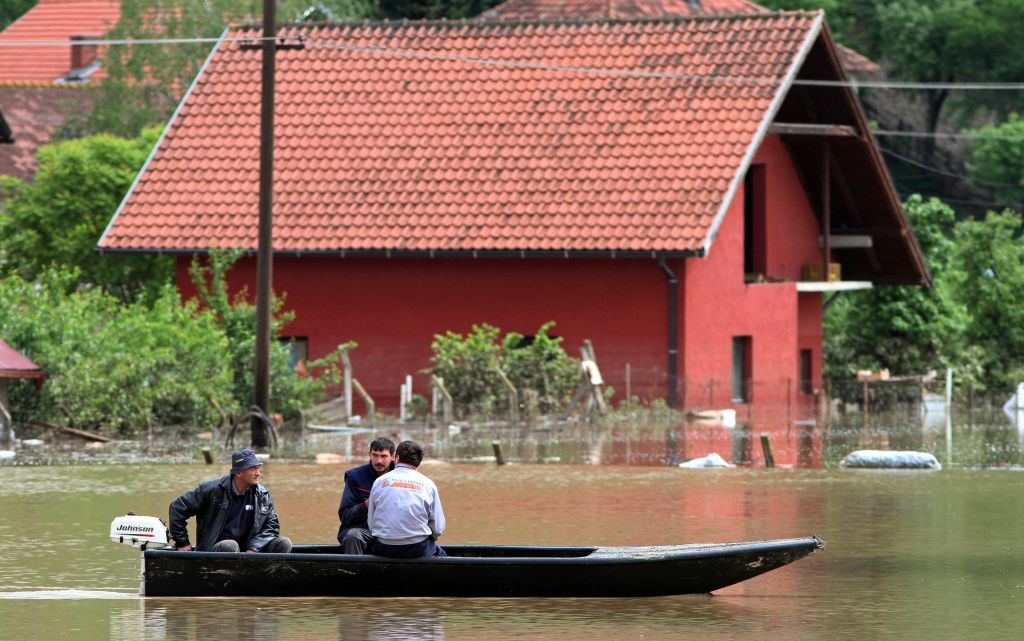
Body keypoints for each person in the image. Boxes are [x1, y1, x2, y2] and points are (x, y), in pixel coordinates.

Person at [168, 448, 292, 553]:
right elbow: (177, 508)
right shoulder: (211, 490)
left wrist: (254, 549)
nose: (258, 473)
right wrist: (182, 542)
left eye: (258, 468)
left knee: (284, 543)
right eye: (253, 469)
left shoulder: (263, 495)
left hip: (250, 552)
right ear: (238, 472)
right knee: (230, 545)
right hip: (216, 551)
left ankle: (271, 577)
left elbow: (272, 526)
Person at [368, 440, 446, 558]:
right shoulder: (428, 484)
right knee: (442, 555)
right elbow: (438, 528)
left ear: (396, 458)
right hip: (416, 547)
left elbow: (371, 523)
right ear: (419, 462)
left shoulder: (380, 481)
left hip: (384, 546)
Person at [336, 436, 396, 554]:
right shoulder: (355, 476)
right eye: (375, 455)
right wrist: (366, 504)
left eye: (384, 456)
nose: (379, 461)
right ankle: (354, 571)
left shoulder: (402, 476)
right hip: (364, 530)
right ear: (369, 455)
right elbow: (345, 517)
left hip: (392, 531)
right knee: (353, 535)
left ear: (393, 457)